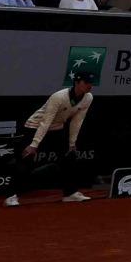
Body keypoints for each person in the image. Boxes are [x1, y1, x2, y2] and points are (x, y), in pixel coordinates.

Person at [9, 76, 96, 205]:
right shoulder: (59, 97)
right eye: (86, 82)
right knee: (26, 160)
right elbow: (45, 122)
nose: (90, 86)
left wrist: (72, 143)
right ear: (77, 82)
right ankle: (11, 196)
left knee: (68, 157)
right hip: (34, 127)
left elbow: (77, 121)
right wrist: (34, 144)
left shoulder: (88, 98)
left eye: (92, 83)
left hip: (56, 129)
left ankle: (69, 194)